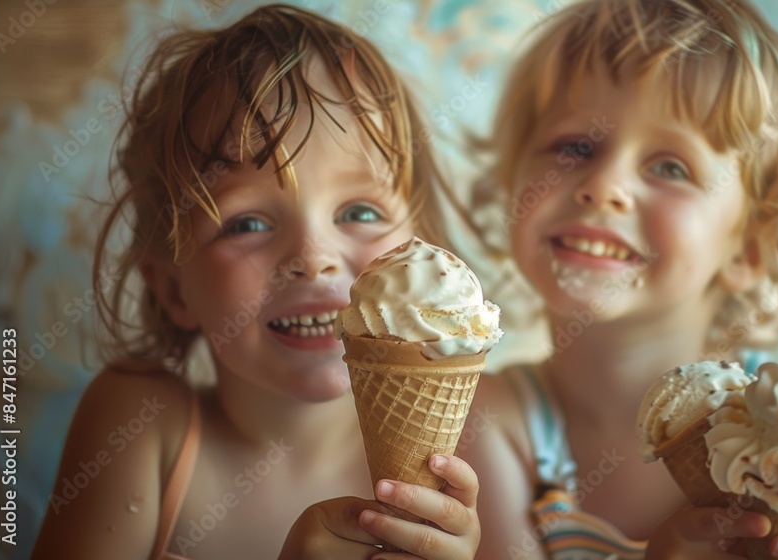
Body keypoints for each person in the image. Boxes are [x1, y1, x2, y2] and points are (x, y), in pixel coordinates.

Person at [459, 0, 778, 558]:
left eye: (670, 167)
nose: (604, 185)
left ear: (752, 244)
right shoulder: (492, 423)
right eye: (576, 147)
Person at [30, 5, 479, 559]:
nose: (313, 258)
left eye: (360, 212)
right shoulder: (142, 425)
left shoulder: (461, 456)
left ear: (426, 256)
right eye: (247, 223)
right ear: (173, 290)